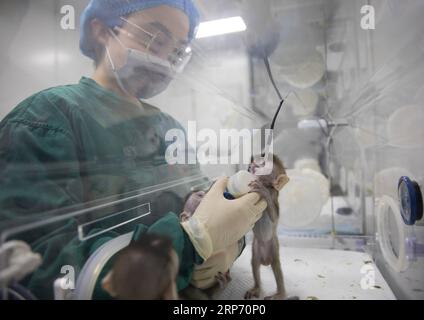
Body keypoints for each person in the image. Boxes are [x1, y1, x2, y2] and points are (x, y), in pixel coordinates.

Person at [0, 0, 267, 299]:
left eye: (178, 50)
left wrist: (231, 244)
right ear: (101, 31)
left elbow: (212, 207)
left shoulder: (169, 129)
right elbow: (43, 269)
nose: (166, 58)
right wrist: (189, 244)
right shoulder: (47, 119)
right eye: (155, 38)